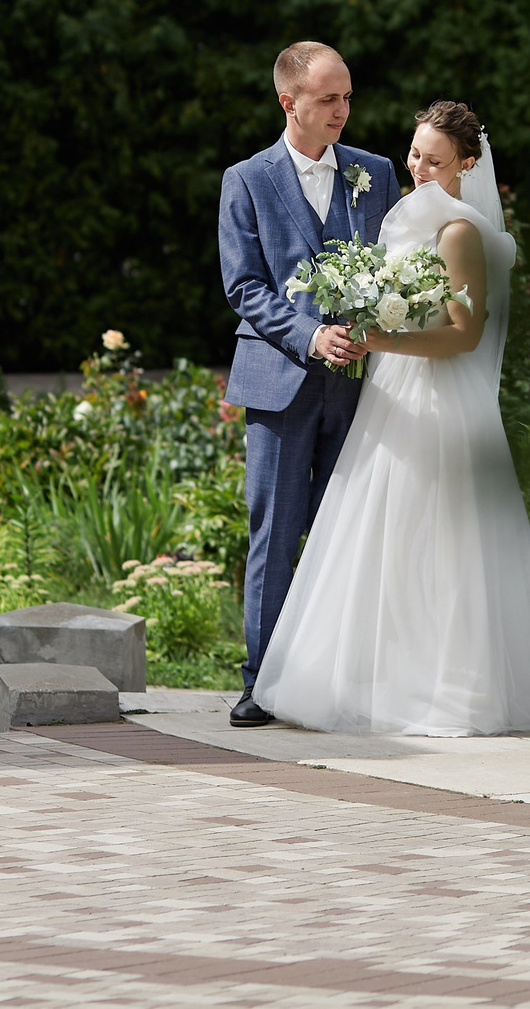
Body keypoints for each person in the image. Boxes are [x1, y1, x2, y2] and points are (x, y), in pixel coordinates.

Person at [252, 100, 530, 737]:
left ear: (467, 164)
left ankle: (446, 691)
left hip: (438, 396)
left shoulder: (457, 231)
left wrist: (381, 339)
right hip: (391, 391)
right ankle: (378, 682)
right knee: (381, 537)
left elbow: (464, 335)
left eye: (435, 160)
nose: (419, 169)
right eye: (414, 154)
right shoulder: (406, 213)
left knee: (437, 541)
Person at [215, 41, 397, 728]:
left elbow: (397, 267)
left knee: (346, 536)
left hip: (359, 387)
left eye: (347, 97)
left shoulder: (376, 173)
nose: (342, 110)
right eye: (328, 98)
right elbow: (244, 286)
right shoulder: (247, 179)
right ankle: (260, 682)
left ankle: (334, 684)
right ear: (288, 102)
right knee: (276, 534)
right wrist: (309, 335)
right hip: (279, 383)